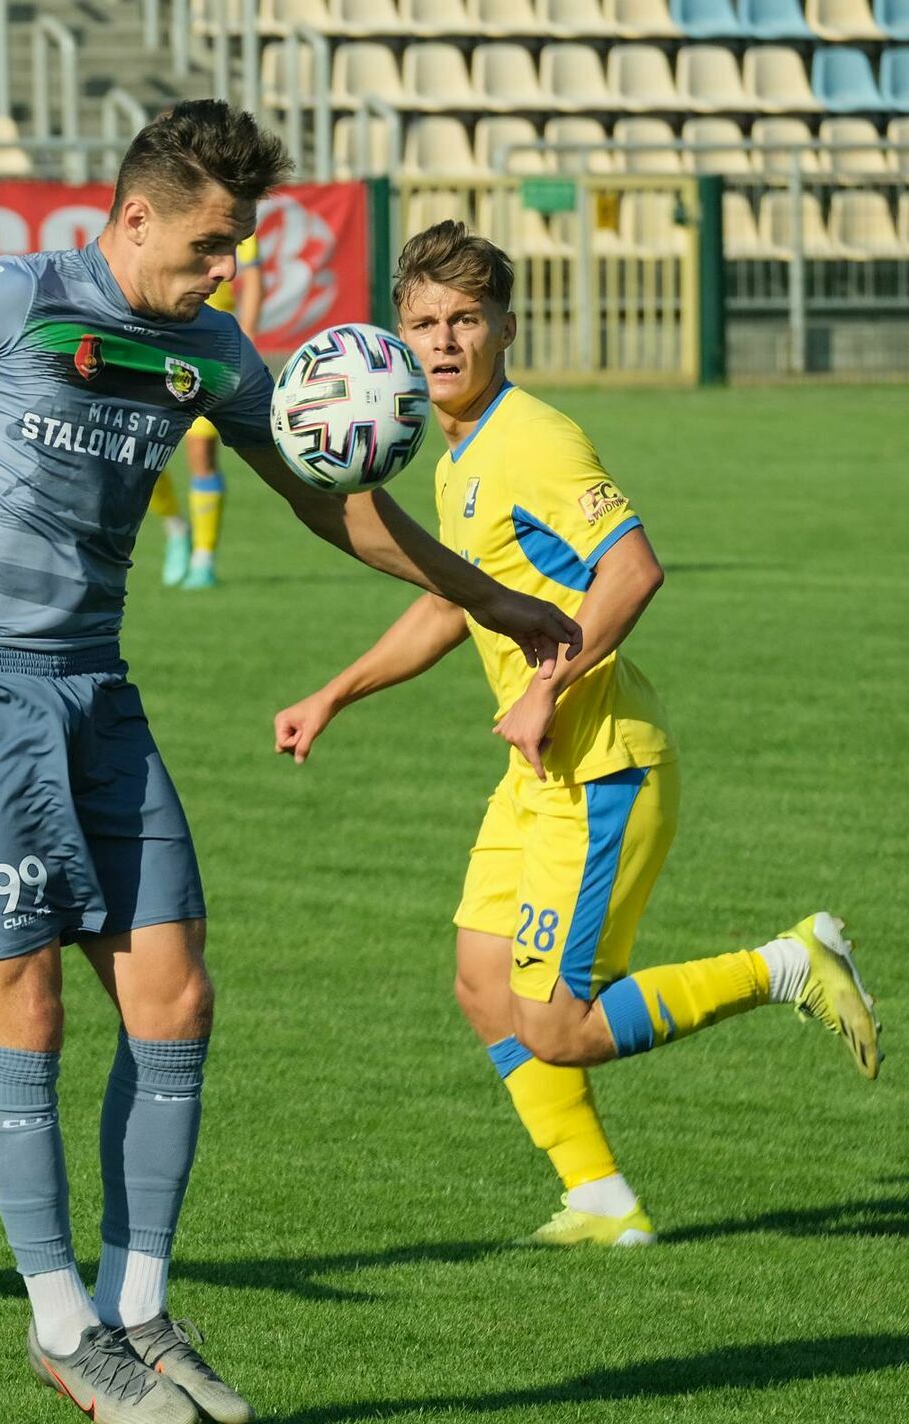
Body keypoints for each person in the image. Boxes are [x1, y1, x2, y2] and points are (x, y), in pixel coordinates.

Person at [0, 116, 580, 1424]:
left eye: (237, 249)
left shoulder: (209, 350)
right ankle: (57, 1322)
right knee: (28, 1002)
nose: (225, 273)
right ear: (138, 221)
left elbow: (331, 503)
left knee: (176, 988)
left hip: (96, 692)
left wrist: (490, 592)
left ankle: (137, 1304)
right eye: (209, 246)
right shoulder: (17, 297)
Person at [274, 220, 882, 1250]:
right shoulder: (454, 456)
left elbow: (632, 569)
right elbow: (452, 602)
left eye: (466, 318)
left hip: (603, 767)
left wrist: (550, 686)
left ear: (508, 327)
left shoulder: (534, 440)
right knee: (482, 986)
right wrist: (336, 691)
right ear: (398, 340)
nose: (445, 341)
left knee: (558, 1024)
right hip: (537, 773)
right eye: (423, 323)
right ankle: (603, 1203)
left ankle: (791, 962)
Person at [148, 234, 263, 588]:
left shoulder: (236, 223)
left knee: (202, 454)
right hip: (162, 347)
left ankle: (203, 557)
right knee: (141, 452)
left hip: (212, 355)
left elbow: (255, 282)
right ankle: (175, 527)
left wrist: (245, 338)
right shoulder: (174, 219)